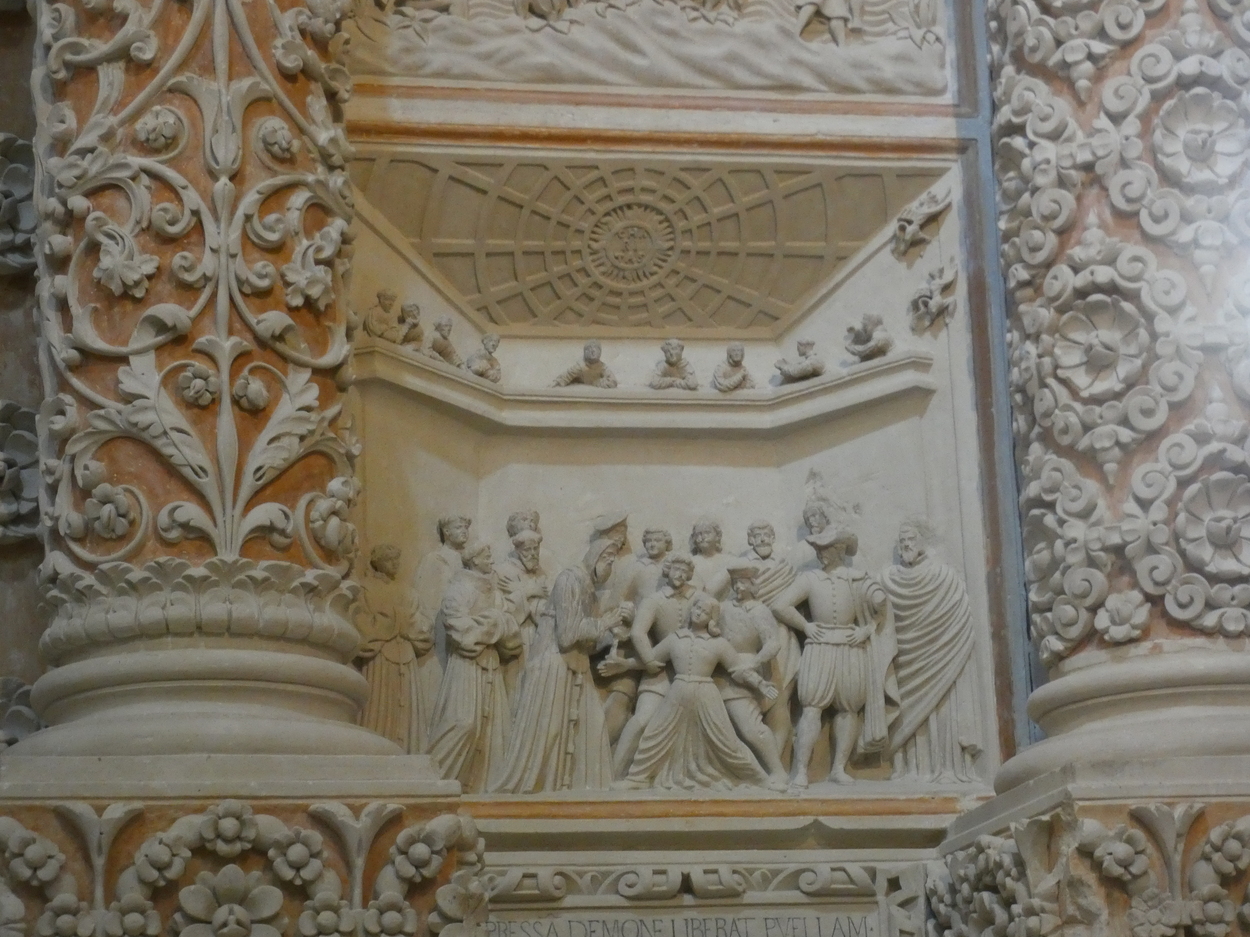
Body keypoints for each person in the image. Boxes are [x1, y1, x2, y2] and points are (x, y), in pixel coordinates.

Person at [489, 538, 632, 793]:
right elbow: (567, 635)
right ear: (596, 558)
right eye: (608, 560)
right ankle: (535, 791)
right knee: (549, 731)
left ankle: (592, 792)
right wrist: (605, 622)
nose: (610, 567)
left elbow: (588, 643)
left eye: (613, 562)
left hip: (577, 665)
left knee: (593, 726)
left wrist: (617, 629)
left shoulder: (588, 588)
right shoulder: (569, 580)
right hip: (553, 663)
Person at [770, 526, 898, 790]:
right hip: (820, 646)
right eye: (818, 549)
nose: (821, 554)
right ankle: (800, 770)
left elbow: (879, 605)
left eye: (825, 548)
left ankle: (838, 768)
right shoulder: (811, 578)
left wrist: (868, 627)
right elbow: (780, 605)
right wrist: (805, 626)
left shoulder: (857, 579)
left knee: (848, 709)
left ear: (839, 550)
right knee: (811, 707)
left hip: (851, 647)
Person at [618, 594, 780, 791]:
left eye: (704, 612)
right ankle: (637, 777)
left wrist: (761, 684)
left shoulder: (718, 644)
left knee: (726, 741)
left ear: (711, 619)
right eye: (696, 608)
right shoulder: (676, 638)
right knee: (656, 733)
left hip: (706, 694)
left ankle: (760, 779)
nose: (698, 613)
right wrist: (624, 664)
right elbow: (651, 659)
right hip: (677, 692)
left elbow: (738, 669)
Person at [881, 519, 983, 782]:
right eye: (902, 541)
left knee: (942, 707)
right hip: (904, 660)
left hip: (940, 656)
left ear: (923, 543)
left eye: (911, 539)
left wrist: (947, 648)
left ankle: (946, 767)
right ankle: (907, 769)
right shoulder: (888, 580)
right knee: (903, 712)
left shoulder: (943, 577)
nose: (906, 545)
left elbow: (959, 618)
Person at [426, 543, 522, 792]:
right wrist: (495, 623)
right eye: (487, 557)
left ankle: (483, 790)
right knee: (463, 722)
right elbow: (461, 631)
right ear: (474, 560)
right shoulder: (458, 590)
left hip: (492, 665)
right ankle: (432, 780)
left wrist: (493, 625)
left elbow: (513, 633)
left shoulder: (495, 593)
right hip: (466, 666)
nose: (491, 561)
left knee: (495, 732)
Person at [605, 553, 697, 778]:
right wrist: (648, 660)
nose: (680, 575)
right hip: (659, 672)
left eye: (684, 572)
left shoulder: (698, 598)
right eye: (676, 570)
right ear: (667, 572)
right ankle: (613, 772)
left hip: (691, 671)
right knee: (642, 719)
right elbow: (638, 632)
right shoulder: (654, 600)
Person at [356, 544, 441, 754]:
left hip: (407, 657)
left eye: (397, 559)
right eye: (389, 560)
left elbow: (425, 626)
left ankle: (409, 752)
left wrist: (396, 621)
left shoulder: (408, 592)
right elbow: (362, 625)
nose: (395, 564)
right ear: (378, 562)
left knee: (408, 709)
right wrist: (399, 620)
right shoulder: (366, 589)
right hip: (380, 660)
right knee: (380, 704)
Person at [716, 563, 788, 788]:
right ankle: (733, 774)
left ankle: (777, 771)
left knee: (750, 727)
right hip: (719, 670)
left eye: (743, 583)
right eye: (735, 583)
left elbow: (772, 643)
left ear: (753, 585)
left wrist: (753, 663)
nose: (738, 587)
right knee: (721, 727)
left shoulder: (759, 611)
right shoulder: (724, 608)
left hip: (745, 672)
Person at [602, 527, 673, 744]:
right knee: (622, 695)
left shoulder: (675, 567)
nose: (652, 544)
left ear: (667, 543)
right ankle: (601, 750)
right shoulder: (635, 567)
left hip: (667, 645)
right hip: (634, 641)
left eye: (657, 539)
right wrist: (627, 617)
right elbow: (613, 605)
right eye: (648, 540)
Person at [743, 521, 800, 755]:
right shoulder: (742, 567)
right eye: (757, 535)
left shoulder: (785, 568)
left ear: (773, 537)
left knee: (781, 695)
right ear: (750, 539)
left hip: (782, 635)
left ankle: (775, 759)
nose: (762, 539)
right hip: (751, 637)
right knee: (751, 699)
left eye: (766, 534)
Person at [495, 527, 549, 694]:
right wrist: (527, 591)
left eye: (535, 549)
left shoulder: (540, 573)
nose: (533, 554)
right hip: (515, 637)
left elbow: (545, 607)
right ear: (517, 550)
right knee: (516, 685)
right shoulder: (503, 572)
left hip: (537, 635)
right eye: (527, 550)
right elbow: (501, 610)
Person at [413, 515, 472, 659]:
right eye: (458, 527)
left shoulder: (472, 558)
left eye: (466, 527)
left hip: (468, 623)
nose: (464, 531)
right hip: (441, 621)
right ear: (446, 531)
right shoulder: (435, 559)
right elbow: (424, 596)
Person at [689, 518, 731, 598]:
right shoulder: (691, 562)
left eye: (707, 533)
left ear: (717, 536)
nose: (702, 537)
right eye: (698, 534)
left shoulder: (728, 560)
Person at [552, 340, 617, 388]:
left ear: (600, 352)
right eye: (589, 349)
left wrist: (598, 383)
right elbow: (567, 375)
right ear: (584, 352)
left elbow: (613, 381)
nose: (592, 351)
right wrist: (557, 382)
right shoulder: (581, 366)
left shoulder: (602, 367)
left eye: (596, 348)